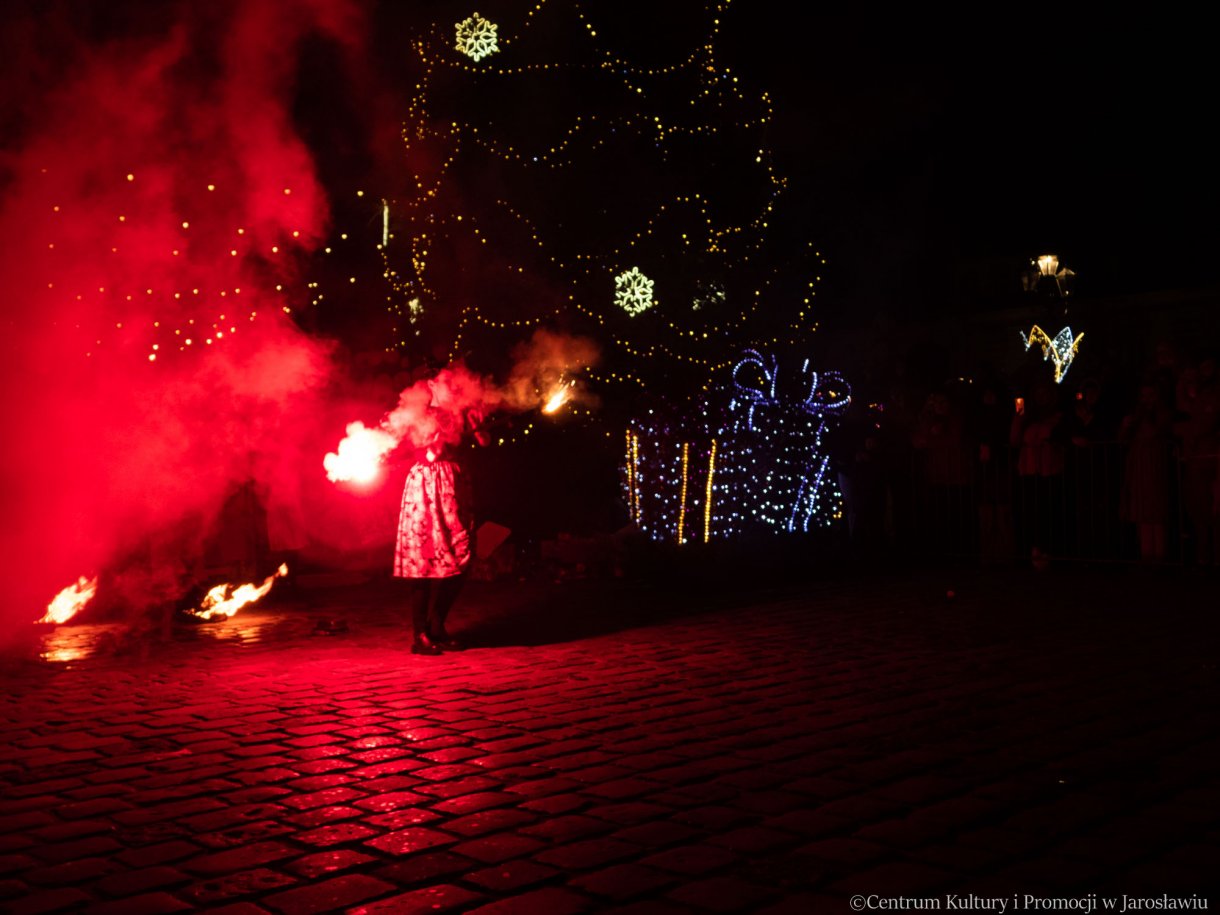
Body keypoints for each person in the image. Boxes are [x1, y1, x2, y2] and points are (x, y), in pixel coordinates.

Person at [394, 376, 490, 655]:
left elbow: (484, 441)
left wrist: (475, 421)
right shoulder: (420, 414)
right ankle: (420, 634)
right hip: (426, 489)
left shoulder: (461, 411)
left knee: (462, 555)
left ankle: (437, 625)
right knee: (423, 561)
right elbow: (431, 454)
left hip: (453, 486)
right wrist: (441, 428)